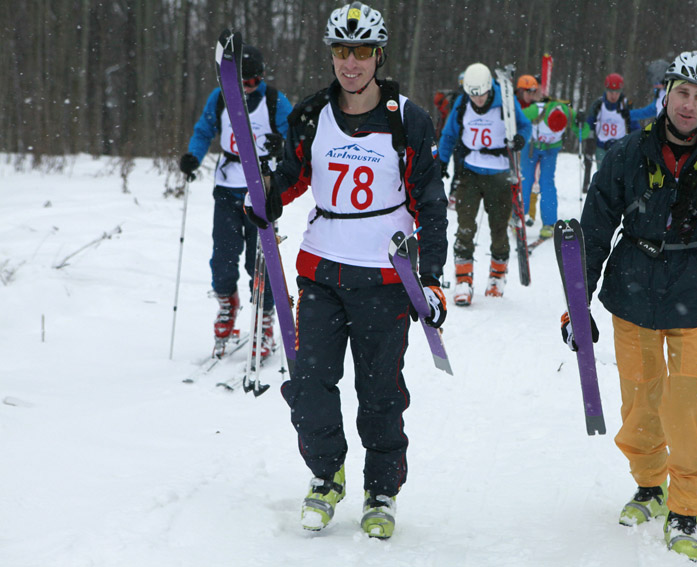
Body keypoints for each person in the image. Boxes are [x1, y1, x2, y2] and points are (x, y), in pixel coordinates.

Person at [244, 2, 448, 539]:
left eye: (361, 52)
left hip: (385, 277)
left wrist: (431, 278)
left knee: (380, 393)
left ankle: (381, 490)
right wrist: (265, 197)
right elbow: (293, 176)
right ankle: (325, 474)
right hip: (322, 271)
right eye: (341, 51)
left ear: (379, 56)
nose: (350, 63)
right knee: (309, 383)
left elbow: (430, 201)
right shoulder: (312, 114)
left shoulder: (406, 119)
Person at [561, 50, 697, 561]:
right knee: (640, 405)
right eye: (682, 93)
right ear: (665, 94)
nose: (689, 105)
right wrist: (577, 305)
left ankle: (685, 506)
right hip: (632, 292)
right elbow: (594, 231)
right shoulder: (625, 154)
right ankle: (650, 485)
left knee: (685, 410)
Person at [179, 44, 293, 359]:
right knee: (223, 256)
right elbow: (204, 131)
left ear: (262, 77)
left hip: (261, 190)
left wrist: (281, 144)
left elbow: (295, 137)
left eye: (254, 81)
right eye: (243, 81)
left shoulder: (274, 101)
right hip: (227, 186)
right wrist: (193, 157)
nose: (248, 87)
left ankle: (265, 317)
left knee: (261, 259)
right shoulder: (220, 98)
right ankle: (228, 304)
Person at [438, 62, 531, 305]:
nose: (477, 100)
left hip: (500, 175)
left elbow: (525, 125)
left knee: (499, 228)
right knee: (465, 225)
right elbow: (449, 134)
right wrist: (441, 161)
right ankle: (463, 279)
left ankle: (497, 277)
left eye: (481, 94)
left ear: (489, 88)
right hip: (470, 172)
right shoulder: (462, 103)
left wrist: (521, 139)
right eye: (473, 95)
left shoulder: (505, 102)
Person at [516, 74, 584, 239]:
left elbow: (583, 131)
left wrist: (581, 122)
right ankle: (518, 217)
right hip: (531, 147)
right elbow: (517, 118)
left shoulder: (568, 112)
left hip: (550, 150)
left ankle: (549, 223)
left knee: (547, 183)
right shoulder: (536, 110)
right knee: (526, 180)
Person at [582, 73, 640, 193]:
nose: (614, 96)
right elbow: (589, 125)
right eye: (611, 92)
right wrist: (588, 142)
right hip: (602, 147)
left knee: (618, 178)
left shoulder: (626, 105)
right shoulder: (598, 105)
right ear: (606, 90)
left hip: (620, 147)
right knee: (603, 177)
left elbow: (635, 126)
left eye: (617, 92)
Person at [433, 72, 466, 209]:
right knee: (460, 168)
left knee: (459, 168)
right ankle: (455, 194)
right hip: (459, 138)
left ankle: (455, 193)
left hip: (456, 138)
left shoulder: (457, 96)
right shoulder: (460, 98)